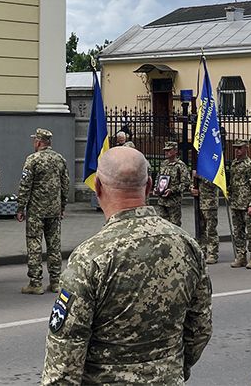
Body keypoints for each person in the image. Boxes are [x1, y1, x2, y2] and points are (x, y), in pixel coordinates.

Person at [41, 146, 212, 384]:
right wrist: (170, 370)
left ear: (98, 187)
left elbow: (65, 355)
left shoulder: (90, 257)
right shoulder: (187, 245)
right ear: (150, 186)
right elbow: (200, 329)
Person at [17, 128, 69, 294]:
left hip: (36, 211)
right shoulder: (59, 159)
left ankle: (36, 282)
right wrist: (62, 206)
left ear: (39, 142)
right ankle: (55, 282)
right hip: (54, 210)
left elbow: (25, 185)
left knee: (34, 244)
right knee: (54, 246)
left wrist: (20, 207)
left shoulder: (33, 159)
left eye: (35, 140)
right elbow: (65, 184)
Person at [227, 140, 251, 269]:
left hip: (247, 204)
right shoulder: (234, 164)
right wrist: (228, 193)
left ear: (245, 149)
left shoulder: (250, 165)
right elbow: (232, 183)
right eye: (235, 148)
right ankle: (241, 256)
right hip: (236, 203)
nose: (237, 150)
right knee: (238, 232)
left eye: (239, 148)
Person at [153, 141, 188, 226]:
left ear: (175, 151)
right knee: (162, 225)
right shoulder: (164, 163)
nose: (167, 152)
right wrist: (156, 188)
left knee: (174, 226)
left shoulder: (180, 165)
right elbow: (159, 177)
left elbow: (185, 183)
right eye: (165, 150)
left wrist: (172, 190)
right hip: (162, 201)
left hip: (173, 201)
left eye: (169, 150)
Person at [191, 168, 220, 264]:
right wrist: (192, 189)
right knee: (201, 228)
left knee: (210, 229)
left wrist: (199, 176)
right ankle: (202, 250)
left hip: (209, 203)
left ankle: (212, 253)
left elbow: (213, 182)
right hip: (199, 202)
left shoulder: (212, 166)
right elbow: (193, 183)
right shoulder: (200, 166)